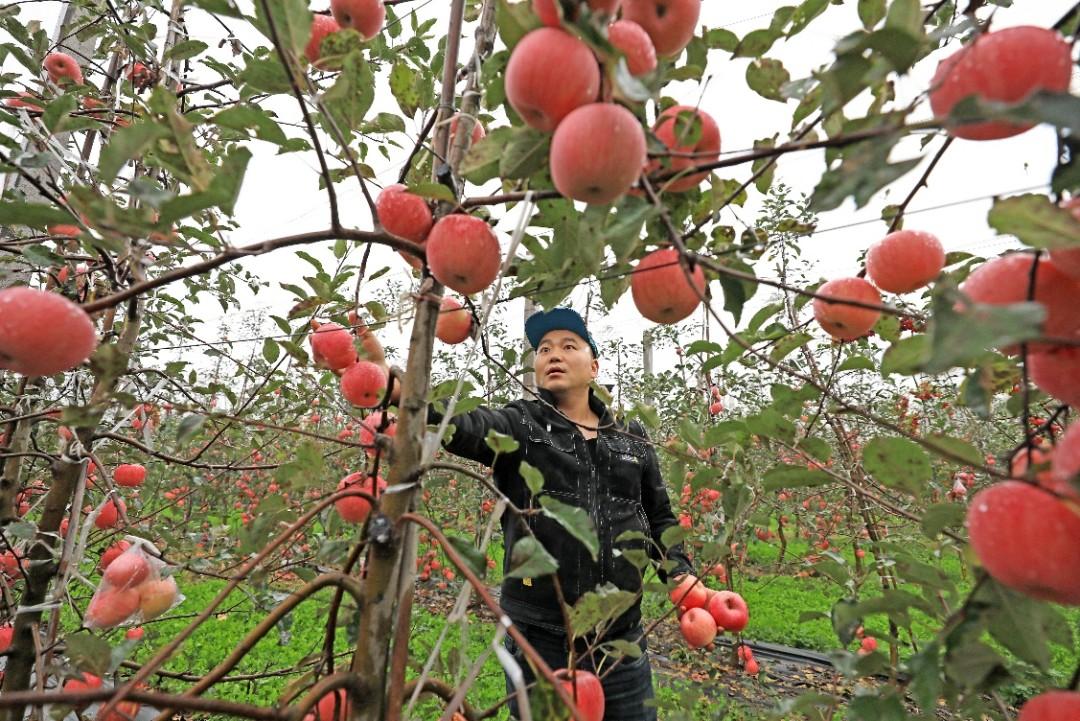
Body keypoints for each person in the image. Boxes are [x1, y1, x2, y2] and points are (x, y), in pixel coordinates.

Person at [429, 307, 694, 721]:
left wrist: (679, 574)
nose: (553, 354)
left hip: (620, 641)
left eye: (568, 346)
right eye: (544, 348)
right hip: (542, 639)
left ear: (594, 366)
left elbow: (658, 517)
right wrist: (401, 392)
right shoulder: (521, 425)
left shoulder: (630, 437)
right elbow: (464, 426)